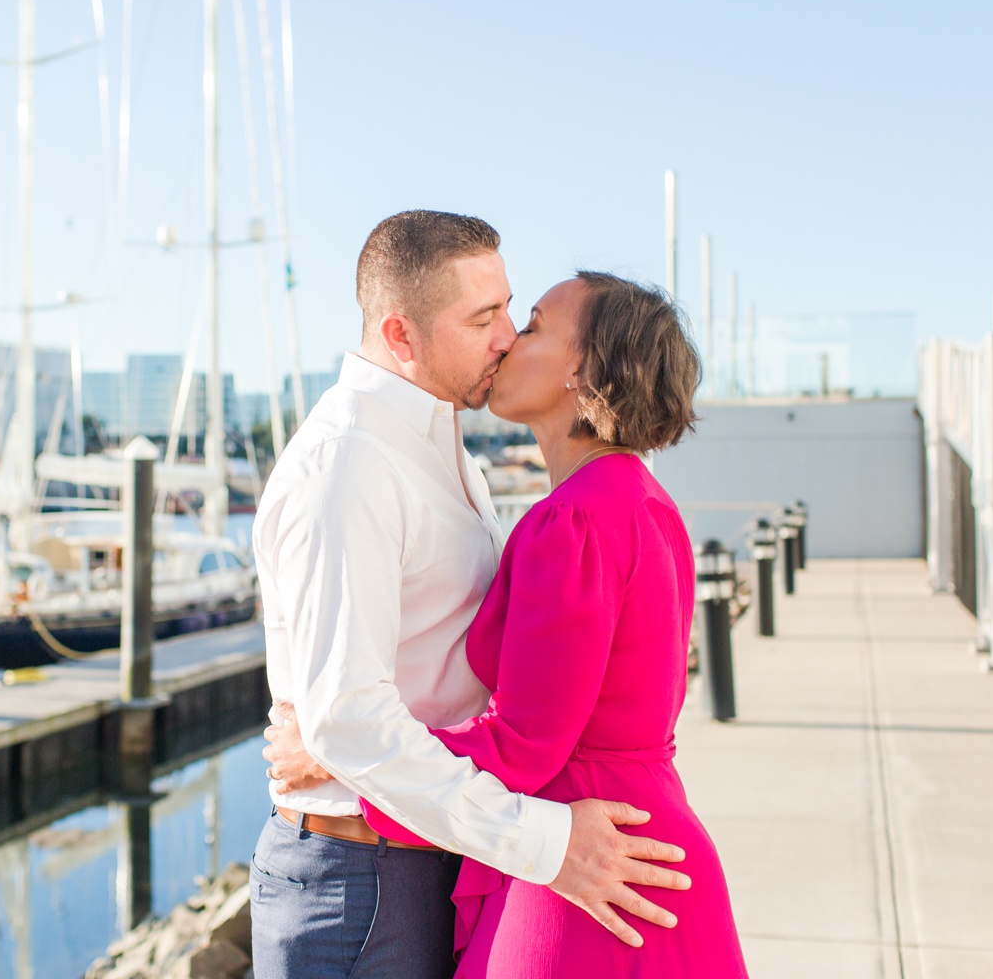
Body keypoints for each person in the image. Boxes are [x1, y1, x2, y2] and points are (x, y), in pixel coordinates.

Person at [249, 212, 692, 979]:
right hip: (364, 879)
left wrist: (330, 749)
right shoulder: (349, 464)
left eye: (513, 312)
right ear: (402, 333)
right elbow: (347, 718)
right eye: (484, 318)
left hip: (435, 851)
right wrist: (544, 842)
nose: (507, 337)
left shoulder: (453, 454)